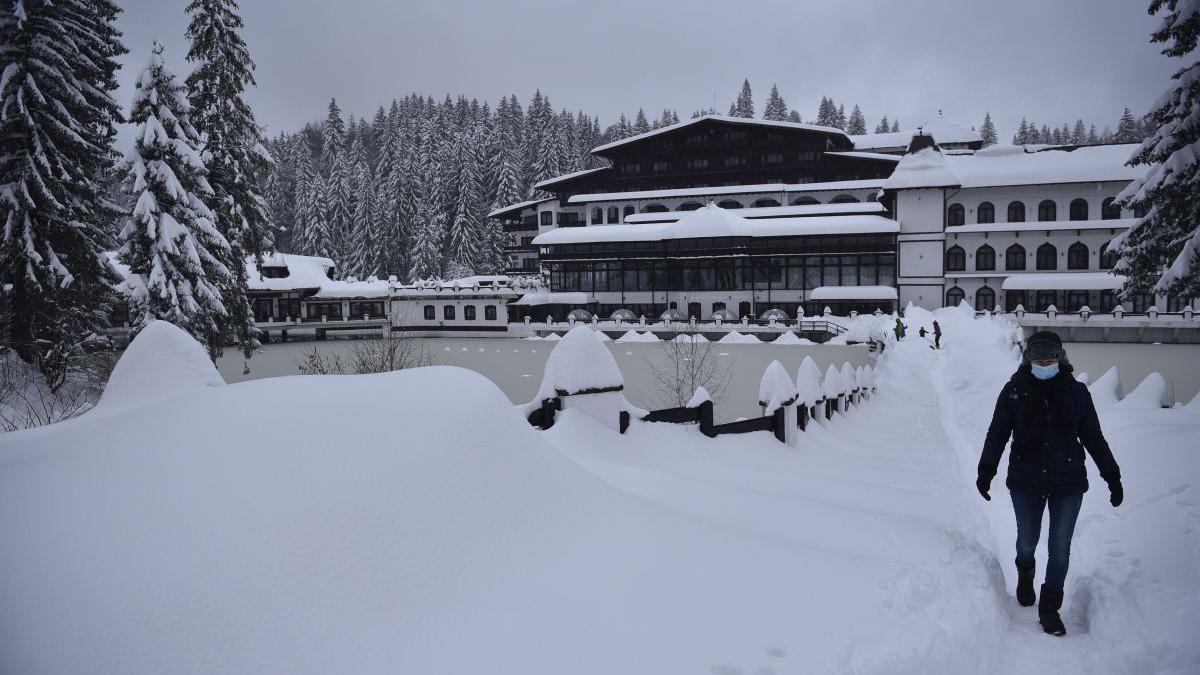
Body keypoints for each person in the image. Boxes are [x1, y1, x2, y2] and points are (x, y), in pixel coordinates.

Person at [976, 331, 1122, 637]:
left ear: (1060, 358)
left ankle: (1050, 608)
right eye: (1039, 358)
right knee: (1027, 540)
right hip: (1025, 481)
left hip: (1067, 482)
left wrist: (1112, 475)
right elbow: (997, 434)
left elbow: (1093, 438)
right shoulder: (1014, 390)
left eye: (1051, 358)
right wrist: (986, 469)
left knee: (1059, 549)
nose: (1045, 363)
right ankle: (1025, 573)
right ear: (1029, 359)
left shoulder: (1077, 393)